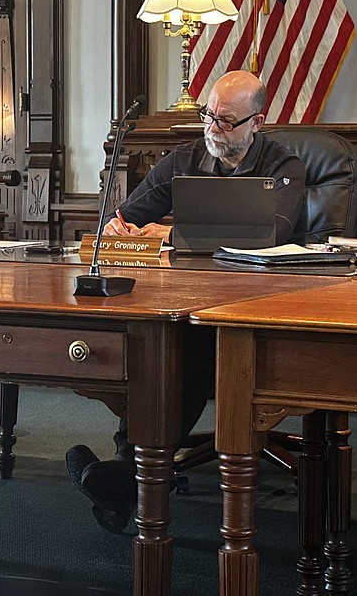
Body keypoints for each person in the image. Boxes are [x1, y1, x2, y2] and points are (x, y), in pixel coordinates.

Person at [65, 70, 306, 533]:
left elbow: (269, 233)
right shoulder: (186, 157)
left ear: (258, 121)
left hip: (255, 304)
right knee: (153, 341)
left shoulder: (283, 166)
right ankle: (131, 474)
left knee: (188, 347)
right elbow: (129, 217)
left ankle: (130, 476)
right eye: (209, 116)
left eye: (227, 122)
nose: (214, 129)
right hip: (187, 294)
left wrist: (171, 235)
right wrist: (121, 231)